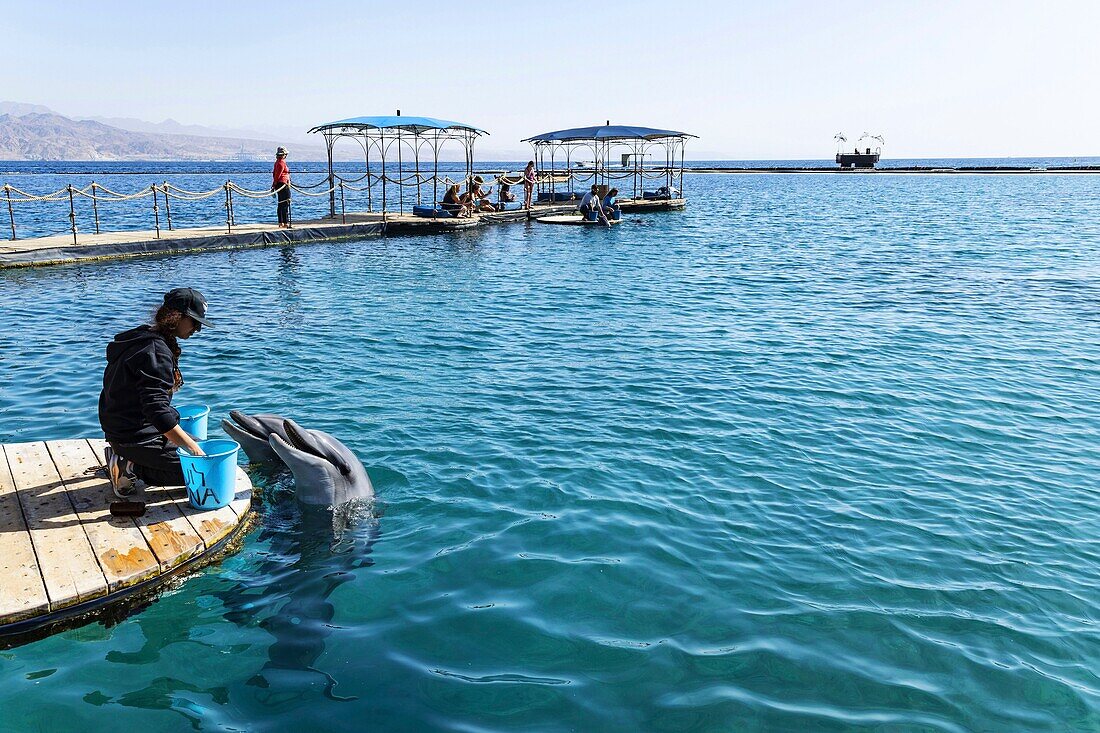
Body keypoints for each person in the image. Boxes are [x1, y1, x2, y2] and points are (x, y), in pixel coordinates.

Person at [99, 288, 211, 497]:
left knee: (206, 448)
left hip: (123, 429)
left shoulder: (144, 337)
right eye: (194, 322)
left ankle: (124, 454)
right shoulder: (155, 352)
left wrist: (195, 447)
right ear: (177, 317)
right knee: (205, 470)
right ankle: (130, 465)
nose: (197, 329)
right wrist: (194, 452)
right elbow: (156, 411)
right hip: (135, 436)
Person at [272, 146, 291, 228]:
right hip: (283, 184)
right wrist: (274, 184)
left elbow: (275, 174)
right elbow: (277, 175)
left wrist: (275, 184)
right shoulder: (281, 163)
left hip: (280, 184)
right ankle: (285, 221)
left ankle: (281, 222)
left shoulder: (277, 162)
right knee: (285, 203)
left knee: (281, 203)